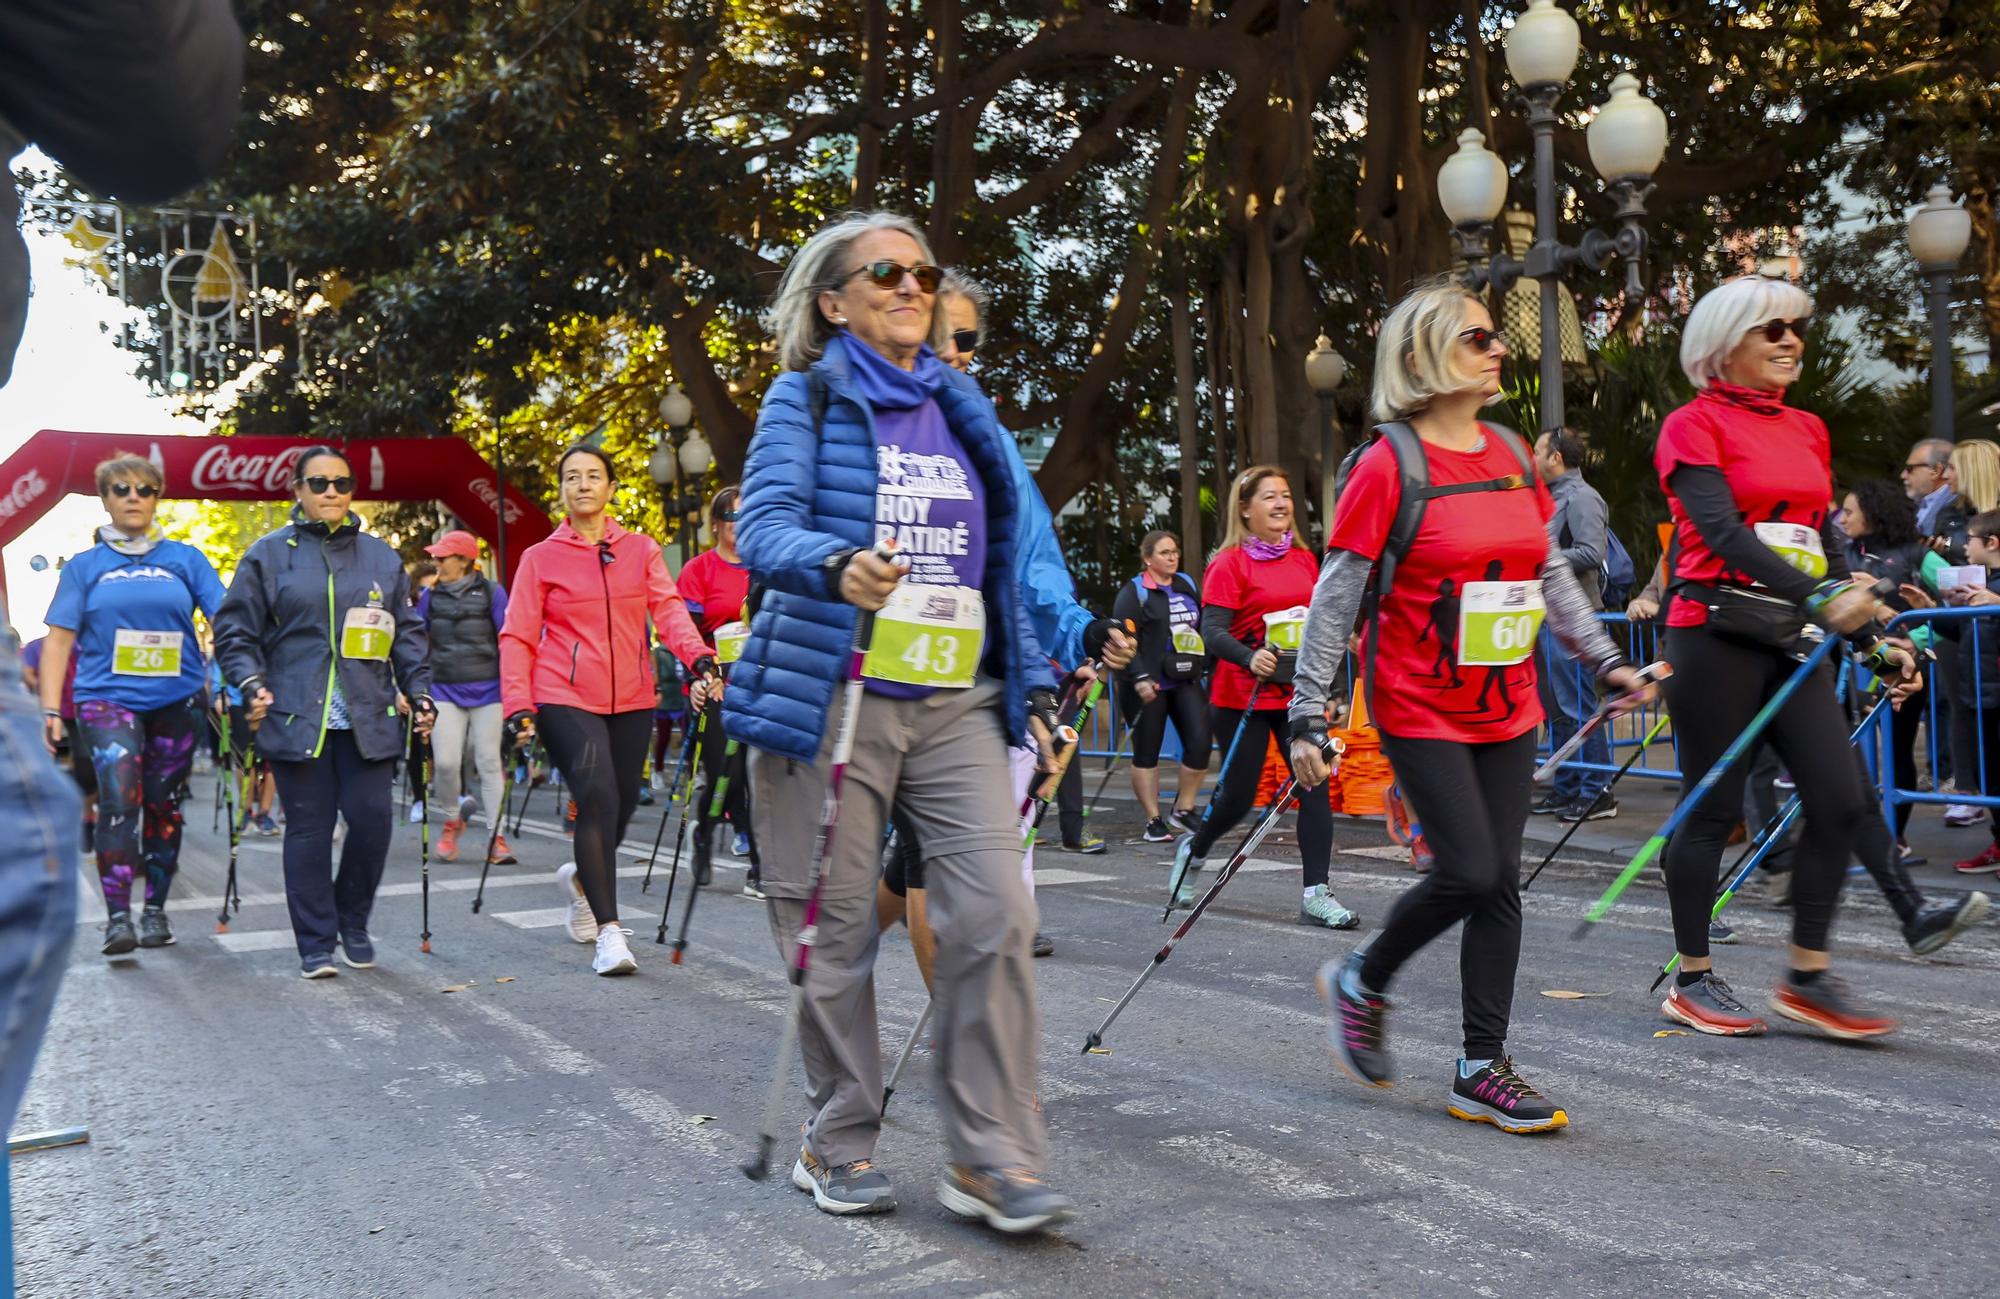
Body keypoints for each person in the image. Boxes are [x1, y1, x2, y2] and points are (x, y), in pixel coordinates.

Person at [728, 212, 1076, 1233]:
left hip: (955, 692)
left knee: (995, 915)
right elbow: (762, 524)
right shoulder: (804, 397)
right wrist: (835, 563)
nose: (914, 286)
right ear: (833, 300)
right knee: (831, 927)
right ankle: (836, 1139)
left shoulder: (961, 405)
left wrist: (1040, 682)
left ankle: (989, 1156)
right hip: (831, 689)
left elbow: (1004, 553)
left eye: (924, 272)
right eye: (887, 272)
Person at [1291, 279, 1651, 1133]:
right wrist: (1309, 708)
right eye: (1478, 338)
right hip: (1420, 703)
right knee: (1472, 868)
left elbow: (1548, 570)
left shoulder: (1511, 450)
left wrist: (1602, 661)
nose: (1497, 350)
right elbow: (1337, 593)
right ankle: (1363, 977)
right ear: (1423, 356)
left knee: (1500, 885)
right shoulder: (1388, 464)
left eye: (1495, 339)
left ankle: (1481, 1065)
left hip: (1508, 703)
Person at [1643, 277, 1926, 1040]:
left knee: (1839, 798)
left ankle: (1805, 974)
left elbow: (1826, 540)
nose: (1788, 340)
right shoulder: (1691, 424)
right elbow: (1725, 534)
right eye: (1769, 329)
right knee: (1714, 808)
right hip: (1713, 630)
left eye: (1794, 327)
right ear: (1722, 341)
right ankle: (1692, 975)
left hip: (1792, 636)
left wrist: (1872, 638)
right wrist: (1819, 598)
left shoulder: (1806, 427)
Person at [213, 447, 435, 978]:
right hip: (296, 716)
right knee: (309, 829)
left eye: (341, 482)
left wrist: (420, 691)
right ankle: (315, 943)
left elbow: (406, 636)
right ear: (298, 490)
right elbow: (235, 630)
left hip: (369, 716)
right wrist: (250, 682)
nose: (331, 491)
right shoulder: (268, 555)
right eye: (318, 483)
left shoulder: (382, 559)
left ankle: (351, 921)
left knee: (372, 821)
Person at [499, 444, 715, 976]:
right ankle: (610, 933)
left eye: (594, 476)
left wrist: (699, 658)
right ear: (563, 492)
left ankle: (580, 880)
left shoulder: (641, 550)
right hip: (563, 694)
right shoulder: (539, 558)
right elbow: (518, 636)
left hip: (633, 694)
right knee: (595, 796)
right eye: (572, 477)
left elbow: (667, 610)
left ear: (612, 488)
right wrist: (518, 705)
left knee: (616, 809)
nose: (583, 485)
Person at [37, 455, 228, 955]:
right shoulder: (86, 567)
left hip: (177, 699)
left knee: (163, 805)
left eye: (144, 489)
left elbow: (228, 622)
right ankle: (118, 918)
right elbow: (58, 642)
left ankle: (156, 911)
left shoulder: (185, 559)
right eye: (121, 489)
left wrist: (234, 680)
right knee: (120, 799)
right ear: (105, 499)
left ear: (157, 497)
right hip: (107, 700)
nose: (133, 497)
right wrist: (51, 711)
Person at [1169, 465, 1358, 930]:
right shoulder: (1229, 563)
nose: (1280, 504)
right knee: (1235, 799)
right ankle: (1194, 850)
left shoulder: (1305, 560)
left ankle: (1317, 891)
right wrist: (1250, 657)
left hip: (1297, 699)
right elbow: (1211, 631)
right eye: (1269, 496)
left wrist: (1330, 688)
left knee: (1314, 786)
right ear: (1245, 508)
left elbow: (1321, 629)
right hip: (1243, 698)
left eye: (1286, 495)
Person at [674, 485, 761, 893]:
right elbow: (685, 633)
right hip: (714, 680)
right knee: (727, 774)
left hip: (762, 680)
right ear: (716, 524)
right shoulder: (699, 570)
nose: (741, 527)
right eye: (733, 519)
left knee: (762, 774)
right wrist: (700, 678)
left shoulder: (767, 567)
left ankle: (760, 866)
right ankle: (705, 832)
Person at [1530, 427, 1617, 823]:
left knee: (1577, 706)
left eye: (1537, 451)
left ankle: (1597, 791)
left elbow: (1590, 552)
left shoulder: (1582, 497)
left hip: (1573, 615)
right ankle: (1567, 788)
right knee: (1558, 710)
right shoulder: (1548, 498)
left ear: (1556, 458)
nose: (1532, 458)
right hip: (1546, 616)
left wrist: (1539, 559)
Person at [415, 530, 514, 867]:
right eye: (437, 557)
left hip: (488, 689)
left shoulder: (491, 593)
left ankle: (495, 836)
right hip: (444, 688)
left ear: (465, 561)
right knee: (444, 763)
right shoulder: (430, 596)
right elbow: (415, 638)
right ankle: (453, 818)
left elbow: (509, 638)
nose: (437, 563)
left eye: (443, 558)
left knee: (487, 761)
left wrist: (517, 689)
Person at [1112, 530, 1212, 841]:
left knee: (1200, 742)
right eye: (1164, 552)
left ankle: (1184, 809)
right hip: (1147, 684)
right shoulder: (1135, 592)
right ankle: (1153, 820)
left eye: (1175, 551)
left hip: (1184, 677)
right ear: (1147, 559)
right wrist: (1140, 677)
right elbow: (1125, 641)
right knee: (1147, 752)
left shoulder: (1186, 584)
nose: (1172, 557)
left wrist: (1205, 661)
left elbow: (1202, 623)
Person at [1932, 440, 2000, 826]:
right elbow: (1935, 561)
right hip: (1957, 624)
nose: (1946, 476)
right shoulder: (1948, 514)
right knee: (1962, 705)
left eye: (1953, 468)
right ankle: (1968, 790)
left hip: (1992, 625)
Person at [21, 631, 96, 848]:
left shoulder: (85, 641)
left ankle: (86, 812)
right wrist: (44, 686)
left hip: (83, 708)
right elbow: (27, 672)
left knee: (86, 763)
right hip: (48, 709)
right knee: (42, 759)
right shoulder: (38, 646)